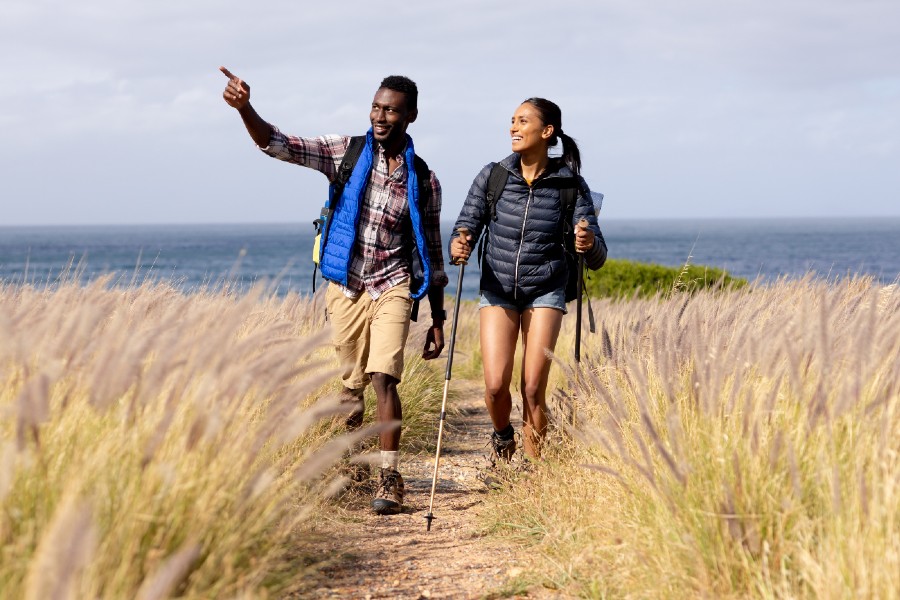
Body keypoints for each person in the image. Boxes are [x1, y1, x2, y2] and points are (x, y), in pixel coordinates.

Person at [220, 67, 448, 515]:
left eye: (392, 111)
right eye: (377, 107)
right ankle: (354, 467)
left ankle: (389, 476)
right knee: (350, 385)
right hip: (345, 286)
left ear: (411, 116)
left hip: (393, 283)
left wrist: (437, 318)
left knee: (384, 375)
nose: (381, 117)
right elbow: (278, 144)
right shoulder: (346, 151)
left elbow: (433, 254)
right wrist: (245, 108)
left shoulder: (424, 179)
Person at [449, 97, 606, 465]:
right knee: (494, 386)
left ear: (547, 132)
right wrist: (460, 243)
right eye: (512, 121)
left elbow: (597, 258)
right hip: (498, 287)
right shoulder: (494, 176)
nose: (513, 128)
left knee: (533, 388)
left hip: (546, 289)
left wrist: (588, 242)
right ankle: (503, 438)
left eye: (523, 121)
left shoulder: (571, 186)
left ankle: (535, 475)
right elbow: (465, 225)